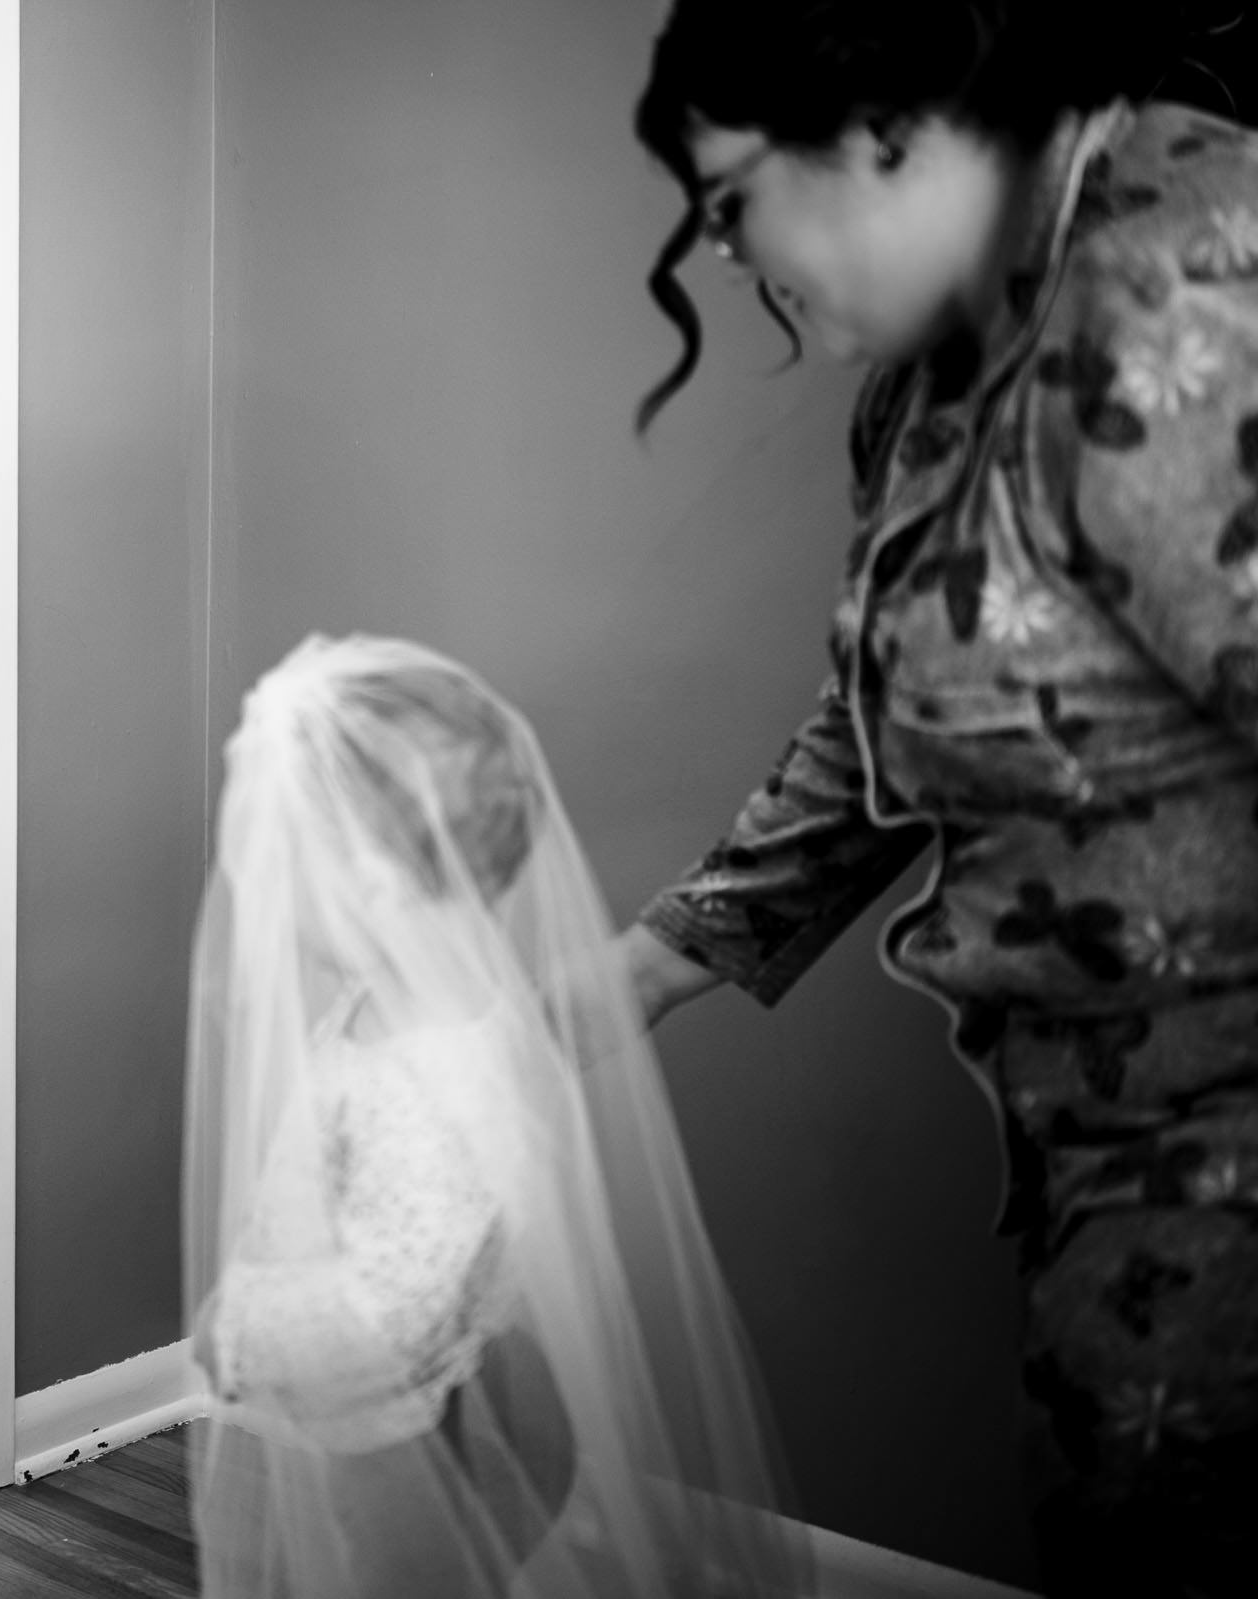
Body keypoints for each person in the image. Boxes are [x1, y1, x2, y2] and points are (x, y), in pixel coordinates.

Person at [621, 3, 1258, 1591]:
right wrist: (626, 980)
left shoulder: (1179, 298)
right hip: (1109, 1168)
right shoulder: (936, 379)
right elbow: (886, 715)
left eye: (727, 200)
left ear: (879, 126)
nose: (738, 259)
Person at [183, 634, 811, 1597]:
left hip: (398, 1426)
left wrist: (243, 1330)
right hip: (435, 1389)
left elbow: (398, 1304)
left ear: (376, 883)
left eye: (281, 854)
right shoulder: (430, 1007)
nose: (260, 886)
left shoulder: (426, 1071)